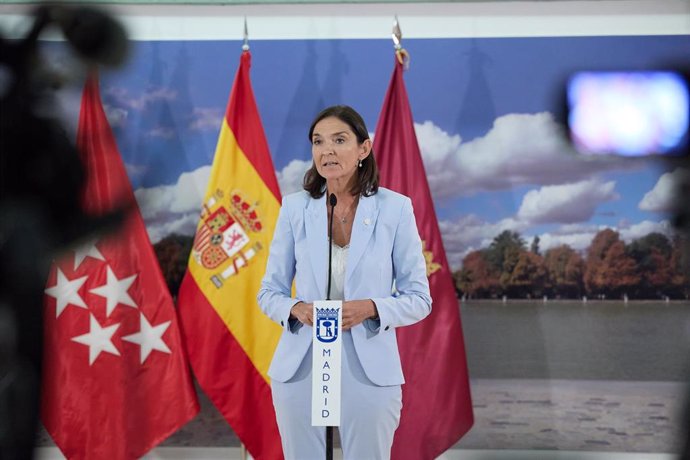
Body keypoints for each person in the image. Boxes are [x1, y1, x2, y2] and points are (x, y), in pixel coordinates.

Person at [257, 105, 432, 459]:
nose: (327, 151)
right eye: (318, 142)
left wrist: (371, 308)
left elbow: (419, 298)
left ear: (363, 149)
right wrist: (297, 308)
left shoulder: (396, 209)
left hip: (368, 369)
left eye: (339, 140)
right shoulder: (294, 208)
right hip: (301, 365)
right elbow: (269, 292)